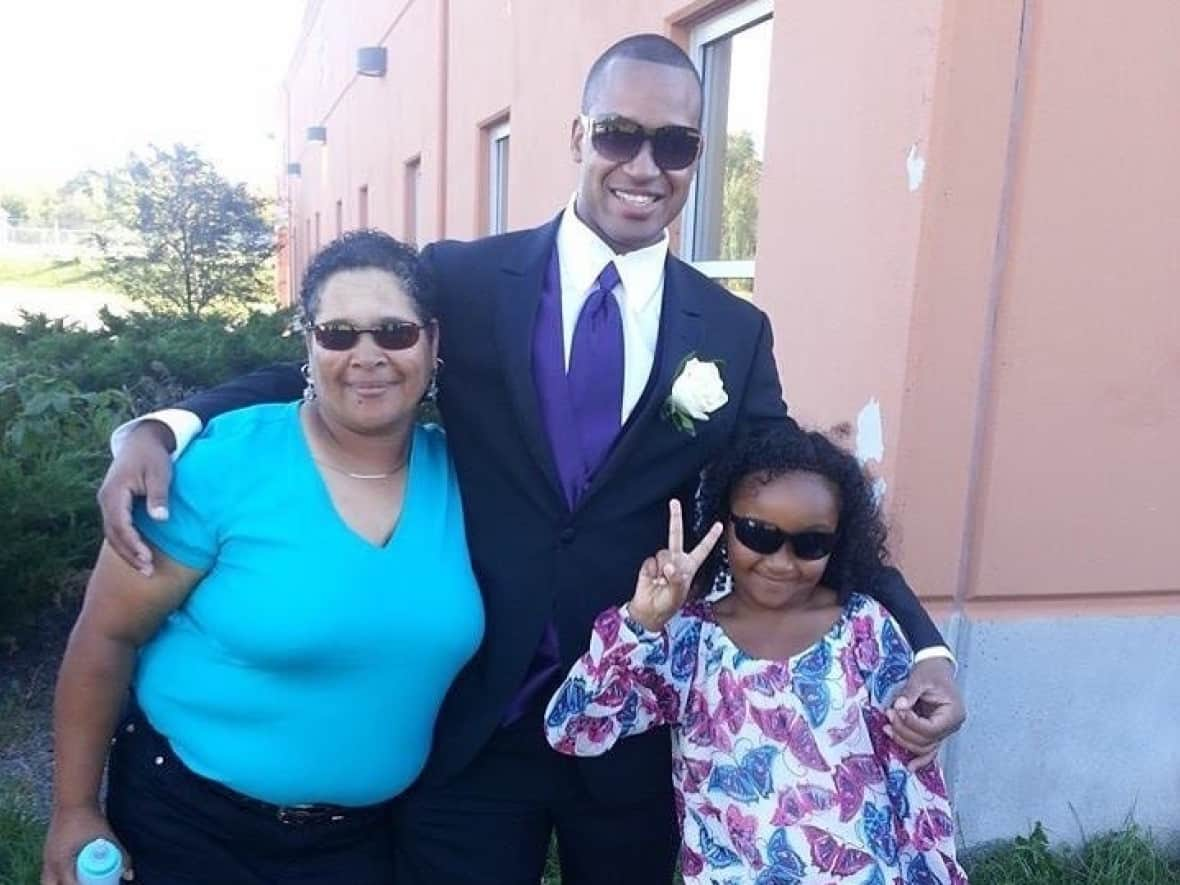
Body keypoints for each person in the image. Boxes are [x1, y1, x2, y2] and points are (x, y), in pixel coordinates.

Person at [96, 34, 964, 885]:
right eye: (620, 133)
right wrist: (168, 425)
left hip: (627, 722)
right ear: (579, 136)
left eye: (676, 144)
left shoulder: (732, 331)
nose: (645, 165)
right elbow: (335, 365)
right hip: (472, 715)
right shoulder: (468, 281)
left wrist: (927, 653)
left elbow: (803, 496)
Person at [43, 232, 484, 885]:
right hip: (190, 829)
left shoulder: (465, 478)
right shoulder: (224, 464)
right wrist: (74, 808)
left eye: (394, 332)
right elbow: (106, 635)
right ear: (308, 342)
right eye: (338, 333)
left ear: (432, 341)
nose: (368, 356)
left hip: (364, 843)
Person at [545, 426, 968, 884]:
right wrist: (640, 623)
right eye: (758, 535)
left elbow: (913, 782)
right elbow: (572, 728)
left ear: (838, 541)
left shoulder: (864, 628)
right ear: (724, 525)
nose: (782, 562)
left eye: (811, 543)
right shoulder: (690, 641)